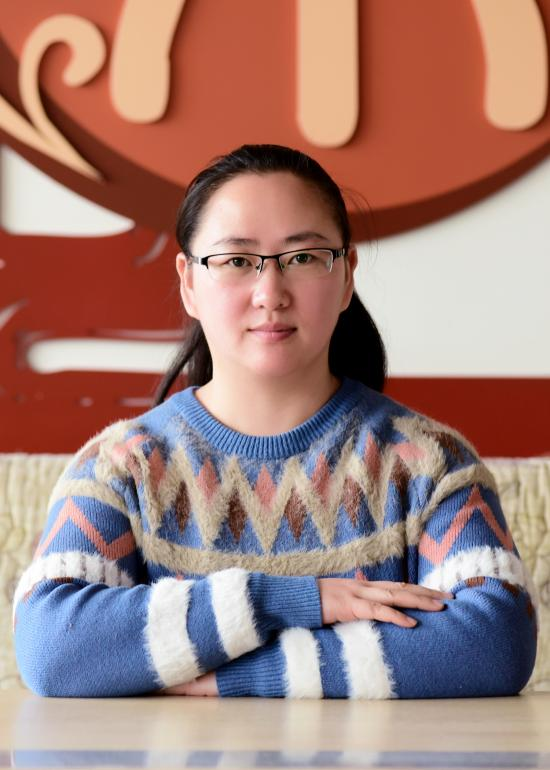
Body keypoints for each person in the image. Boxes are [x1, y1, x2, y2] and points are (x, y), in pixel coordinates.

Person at [13, 144, 536, 699]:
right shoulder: (121, 467)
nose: (271, 293)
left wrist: (233, 676)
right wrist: (291, 599)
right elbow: (53, 646)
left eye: (303, 257)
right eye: (237, 261)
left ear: (346, 275)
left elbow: (494, 643)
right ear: (189, 283)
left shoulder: (429, 463)